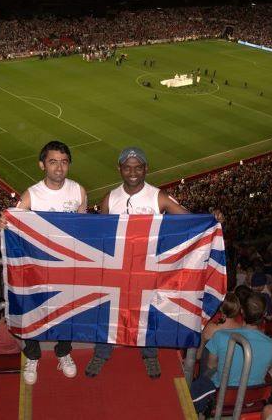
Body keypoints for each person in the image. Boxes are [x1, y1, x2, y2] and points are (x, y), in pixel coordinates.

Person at [84, 146, 212, 379]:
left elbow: (189, 220)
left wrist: (211, 220)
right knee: (110, 311)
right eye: (127, 167)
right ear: (119, 169)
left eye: (138, 167)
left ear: (146, 169)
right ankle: (102, 351)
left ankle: (149, 354)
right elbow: (99, 233)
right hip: (118, 268)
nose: (133, 172)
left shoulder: (158, 196)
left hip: (148, 269)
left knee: (147, 312)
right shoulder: (110, 198)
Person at [0, 140, 86, 385]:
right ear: (42, 165)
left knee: (68, 308)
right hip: (37, 266)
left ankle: (64, 351)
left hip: (67, 266)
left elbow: (83, 229)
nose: (59, 167)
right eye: (53, 162)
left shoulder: (78, 192)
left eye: (64, 162)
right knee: (32, 308)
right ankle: (33, 355)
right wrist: (3, 223)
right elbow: (12, 220)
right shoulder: (32, 195)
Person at [190, 292, 272, 414]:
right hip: (253, 397)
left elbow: (211, 365)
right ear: (264, 314)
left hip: (221, 395)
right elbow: (268, 367)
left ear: (242, 311)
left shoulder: (220, 336)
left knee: (208, 357)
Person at [197, 293, 242, 370]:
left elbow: (198, 355)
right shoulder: (242, 329)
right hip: (233, 370)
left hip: (210, 372)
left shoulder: (211, 328)